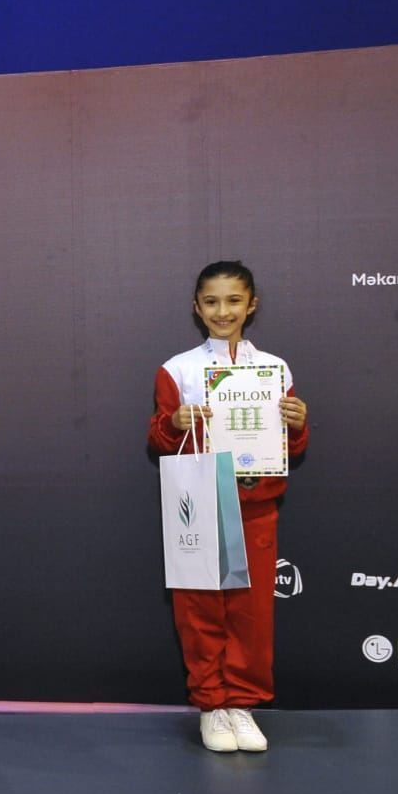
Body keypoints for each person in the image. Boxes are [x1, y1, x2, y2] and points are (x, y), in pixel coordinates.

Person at [147, 260, 308, 753]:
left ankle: (242, 704)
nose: (223, 311)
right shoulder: (178, 369)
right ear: (196, 308)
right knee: (199, 611)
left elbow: (290, 447)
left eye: (234, 301)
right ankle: (212, 706)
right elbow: (158, 440)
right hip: (199, 503)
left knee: (251, 613)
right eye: (212, 302)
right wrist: (174, 422)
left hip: (256, 506)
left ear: (251, 306)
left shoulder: (275, 368)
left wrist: (297, 423)